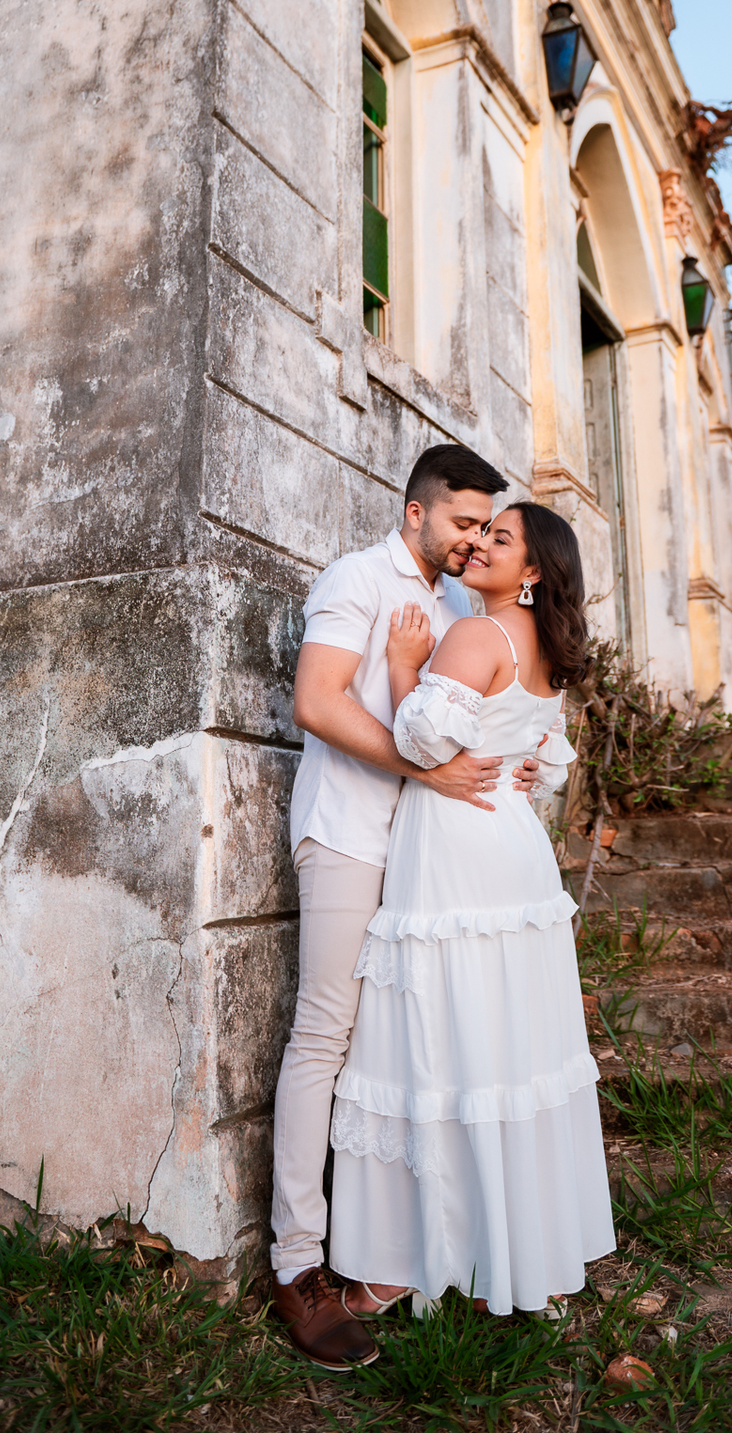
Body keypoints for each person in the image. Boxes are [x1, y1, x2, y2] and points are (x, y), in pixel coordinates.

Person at [269, 446, 544, 1368]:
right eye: (464, 524)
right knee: (326, 1038)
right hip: (351, 836)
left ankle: (398, 1246)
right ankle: (298, 1265)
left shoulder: (469, 610)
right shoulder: (359, 576)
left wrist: (520, 757)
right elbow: (316, 699)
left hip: (433, 867)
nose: (473, 542)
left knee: (412, 1051)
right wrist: (421, 761)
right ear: (418, 514)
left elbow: (477, 718)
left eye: (486, 529)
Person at [326, 502, 616, 1318]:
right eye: (481, 531)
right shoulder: (545, 656)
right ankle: (533, 1253)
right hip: (514, 850)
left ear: (531, 573)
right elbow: (548, 766)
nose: (480, 543)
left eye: (501, 538)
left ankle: (402, 1264)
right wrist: (518, 764)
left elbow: (422, 743)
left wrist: (401, 664)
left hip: (455, 846)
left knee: (439, 1032)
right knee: (512, 1041)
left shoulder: (476, 635)